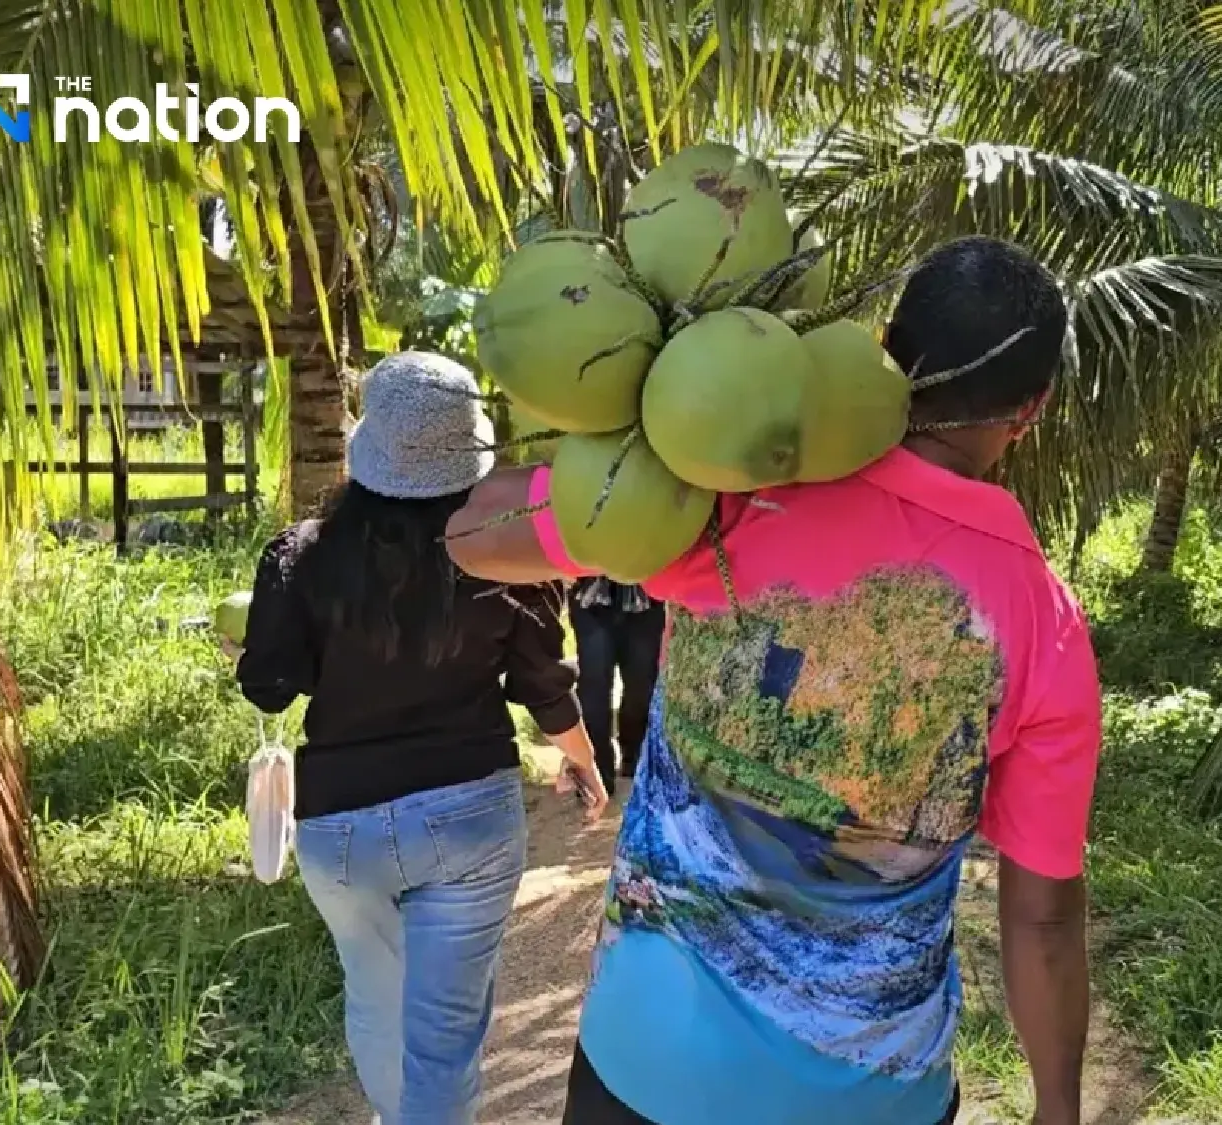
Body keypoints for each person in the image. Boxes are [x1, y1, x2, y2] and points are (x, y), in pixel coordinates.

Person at [446, 237, 1101, 1125]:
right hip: (874, 1096)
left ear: (887, 348)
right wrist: (1058, 1109)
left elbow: (473, 533)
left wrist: (660, 443)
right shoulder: (1045, 622)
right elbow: (1044, 923)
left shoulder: (743, 494)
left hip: (650, 1067)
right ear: (1034, 409)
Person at [232, 351, 610, 1125]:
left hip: (340, 826)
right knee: (443, 1037)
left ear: (370, 448)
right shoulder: (502, 556)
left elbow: (267, 683)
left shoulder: (300, 554)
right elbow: (542, 683)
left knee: (375, 1000)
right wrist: (582, 758)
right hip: (466, 815)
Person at [567, 578, 664, 795]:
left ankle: (636, 758)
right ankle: (596, 772)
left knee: (642, 687)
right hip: (590, 598)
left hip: (647, 597)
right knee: (594, 689)